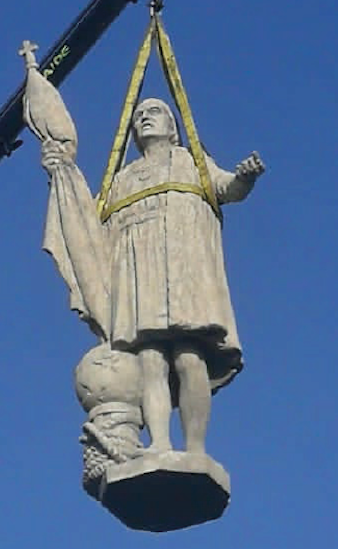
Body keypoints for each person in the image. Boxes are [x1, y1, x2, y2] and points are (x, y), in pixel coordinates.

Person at [44, 97, 264, 455]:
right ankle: (159, 442)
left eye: (154, 112)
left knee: (189, 357)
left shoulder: (191, 161)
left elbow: (228, 188)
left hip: (183, 271)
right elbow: (87, 223)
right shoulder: (123, 178)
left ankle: (194, 448)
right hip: (138, 277)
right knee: (150, 360)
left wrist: (246, 176)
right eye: (139, 116)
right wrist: (61, 175)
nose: (145, 118)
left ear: (173, 126)